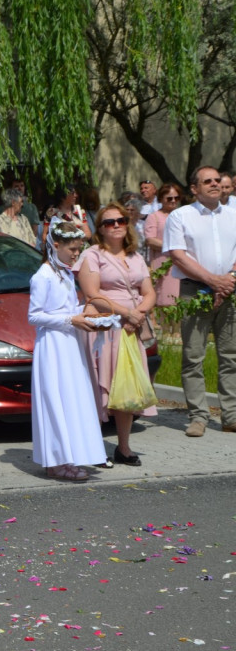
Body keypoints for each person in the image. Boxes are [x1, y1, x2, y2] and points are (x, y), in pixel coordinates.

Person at [75, 204, 157, 466]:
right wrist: (126, 313)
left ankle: (123, 447)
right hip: (105, 325)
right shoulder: (91, 254)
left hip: (131, 327)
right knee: (98, 385)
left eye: (121, 220)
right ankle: (90, 447)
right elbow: (93, 294)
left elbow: (149, 292)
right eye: (109, 222)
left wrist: (139, 313)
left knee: (126, 387)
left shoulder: (135, 256)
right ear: (100, 228)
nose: (116, 225)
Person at [163, 166, 236, 437]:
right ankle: (198, 416)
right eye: (208, 181)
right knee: (193, 356)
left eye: (218, 180)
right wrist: (212, 281)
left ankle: (231, 415)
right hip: (195, 292)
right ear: (194, 188)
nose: (215, 184)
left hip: (230, 290)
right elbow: (179, 256)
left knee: (231, 356)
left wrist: (227, 280)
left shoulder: (233, 214)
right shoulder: (181, 216)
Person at [29, 221, 105, 480]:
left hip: (69, 344)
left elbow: (66, 307)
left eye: (79, 249)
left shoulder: (65, 274)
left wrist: (85, 313)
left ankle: (69, 454)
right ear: (56, 245)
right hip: (52, 345)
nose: (76, 254)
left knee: (71, 397)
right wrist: (70, 319)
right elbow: (35, 315)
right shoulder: (42, 276)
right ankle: (55, 459)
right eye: (72, 249)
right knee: (54, 398)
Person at [143, 183, 183, 308]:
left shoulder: (183, 215)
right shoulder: (154, 217)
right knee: (164, 300)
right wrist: (173, 247)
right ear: (161, 199)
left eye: (176, 198)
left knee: (180, 300)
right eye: (169, 198)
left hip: (182, 262)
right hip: (163, 261)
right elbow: (150, 240)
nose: (173, 201)